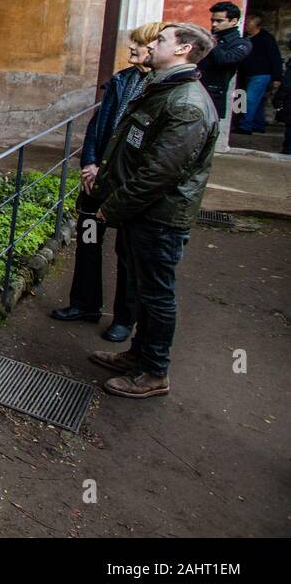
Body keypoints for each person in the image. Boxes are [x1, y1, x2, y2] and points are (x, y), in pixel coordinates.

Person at [86, 23, 220, 399]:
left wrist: (112, 208)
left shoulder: (188, 104)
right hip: (143, 213)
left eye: (162, 39)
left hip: (159, 217)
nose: (153, 44)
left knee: (158, 295)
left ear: (184, 49)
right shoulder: (165, 89)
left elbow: (159, 173)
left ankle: (154, 372)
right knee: (145, 291)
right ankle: (138, 356)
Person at [52, 22, 164, 341]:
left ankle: (124, 319)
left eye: (138, 44)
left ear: (154, 48)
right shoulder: (121, 81)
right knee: (88, 240)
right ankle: (84, 304)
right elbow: (97, 125)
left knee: (127, 253)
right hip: (96, 182)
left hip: (127, 187)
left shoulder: (160, 91)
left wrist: (114, 172)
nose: (131, 49)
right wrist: (89, 162)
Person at [197, 1, 252, 120]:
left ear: (233, 21)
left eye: (220, 21)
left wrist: (210, 41)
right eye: (213, 21)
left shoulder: (241, 43)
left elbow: (225, 60)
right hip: (195, 88)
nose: (214, 24)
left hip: (213, 93)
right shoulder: (208, 38)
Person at [234, 14, 283, 134]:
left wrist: (277, 77)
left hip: (261, 74)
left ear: (256, 25)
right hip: (247, 74)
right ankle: (258, 125)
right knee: (257, 101)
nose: (245, 26)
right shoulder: (247, 37)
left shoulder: (266, 38)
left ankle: (245, 127)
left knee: (250, 100)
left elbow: (275, 57)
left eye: (248, 23)